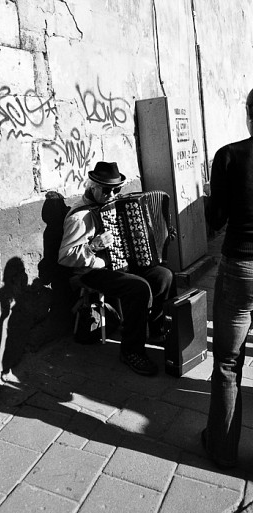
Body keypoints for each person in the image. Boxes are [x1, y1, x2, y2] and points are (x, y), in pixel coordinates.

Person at [58, 161, 175, 376]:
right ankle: (131, 350)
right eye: (106, 190)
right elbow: (65, 257)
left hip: (122, 264)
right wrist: (93, 247)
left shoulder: (118, 205)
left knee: (164, 276)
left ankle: (156, 330)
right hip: (93, 272)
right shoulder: (79, 217)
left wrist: (163, 235)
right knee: (138, 288)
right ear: (92, 186)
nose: (112, 194)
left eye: (116, 189)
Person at [202, 88, 253, 469]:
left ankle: (221, 450)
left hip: (241, 267)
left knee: (227, 362)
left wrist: (213, 199)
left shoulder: (229, 156)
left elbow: (216, 220)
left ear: (249, 114)